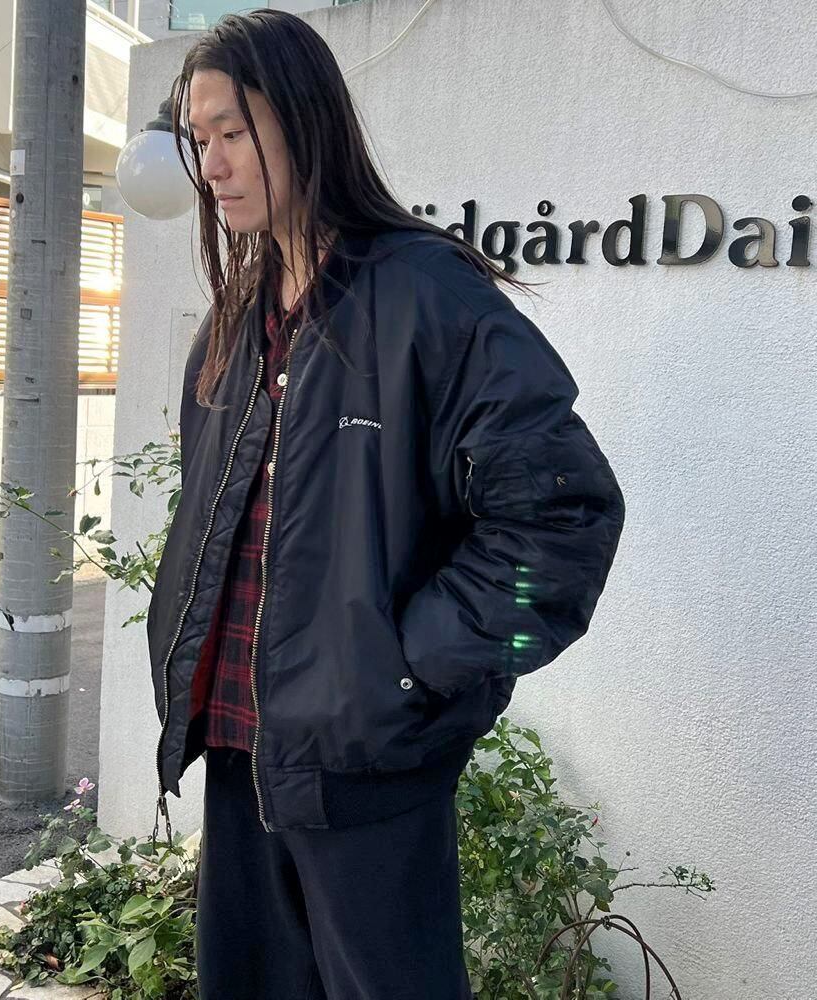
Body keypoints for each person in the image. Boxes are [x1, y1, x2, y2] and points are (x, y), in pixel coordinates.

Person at [145, 10, 626, 1000]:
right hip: (241, 749)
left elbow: (563, 517)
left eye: (233, 132)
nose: (213, 164)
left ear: (304, 122)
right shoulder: (236, 318)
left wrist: (411, 667)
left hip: (366, 768)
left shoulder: (427, 296)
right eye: (200, 139)